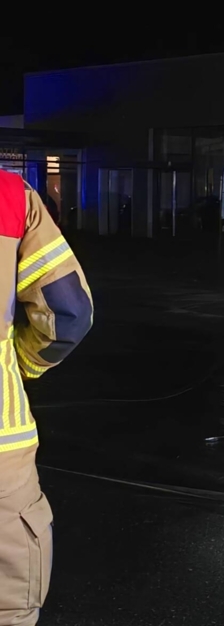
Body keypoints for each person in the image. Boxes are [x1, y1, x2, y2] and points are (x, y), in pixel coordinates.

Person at [0, 170, 93, 625]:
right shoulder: (10, 195)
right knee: (8, 601)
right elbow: (69, 313)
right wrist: (22, 365)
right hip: (2, 440)